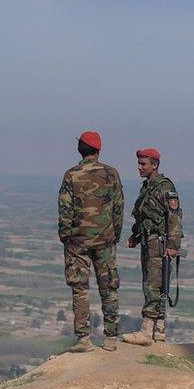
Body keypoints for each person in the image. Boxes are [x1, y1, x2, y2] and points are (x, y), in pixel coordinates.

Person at [58, 130, 124, 352]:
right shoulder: (111, 174)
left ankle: (84, 339)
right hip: (105, 240)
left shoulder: (72, 175)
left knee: (80, 289)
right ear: (98, 150)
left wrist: (65, 236)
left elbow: (65, 209)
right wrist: (114, 234)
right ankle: (111, 338)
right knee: (109, 287)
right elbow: (118, 207)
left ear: (80, 149)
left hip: (77, 241)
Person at [121, 147, 182, 346]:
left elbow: (174, 218)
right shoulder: (148, 187)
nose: (139, 167)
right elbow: (144, 217)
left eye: (143, 164)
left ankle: (147, 330)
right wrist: (135, 236)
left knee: (153, 285)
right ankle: (159, 330)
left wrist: (173, 245)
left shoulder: (165, 187)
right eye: (139, 163)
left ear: (154, 165)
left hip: (159, 243)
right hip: (149, 241)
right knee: (154, 283)